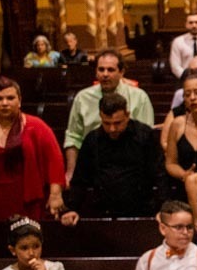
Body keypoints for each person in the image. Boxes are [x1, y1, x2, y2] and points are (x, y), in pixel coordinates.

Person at [60, 93, 163, 224]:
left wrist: (163, 207)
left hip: (141, 209)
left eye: (117, 123)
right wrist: (72, 208)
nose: (112, 129)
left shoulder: (145, 136)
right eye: (107, 123)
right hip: (102, 211)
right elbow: (80, 179)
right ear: (100, 116)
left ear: (127, 115)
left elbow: (160, 174)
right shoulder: (92, 140)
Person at [64, 49, 155, 182]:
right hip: (93, 164)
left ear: (121, 72)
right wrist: (71, 172)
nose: (105, 74)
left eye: (111, 70)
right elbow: (73, 137)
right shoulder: (82, 98)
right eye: (101, 69)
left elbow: (146, 139)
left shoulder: (139, 97)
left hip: (130, 166)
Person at [0, 77, 66, 221]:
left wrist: (55, 195)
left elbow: (54, 161)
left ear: (19, 100)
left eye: (10, 98)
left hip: (27, 201)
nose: (5, 103)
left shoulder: (36, 126)